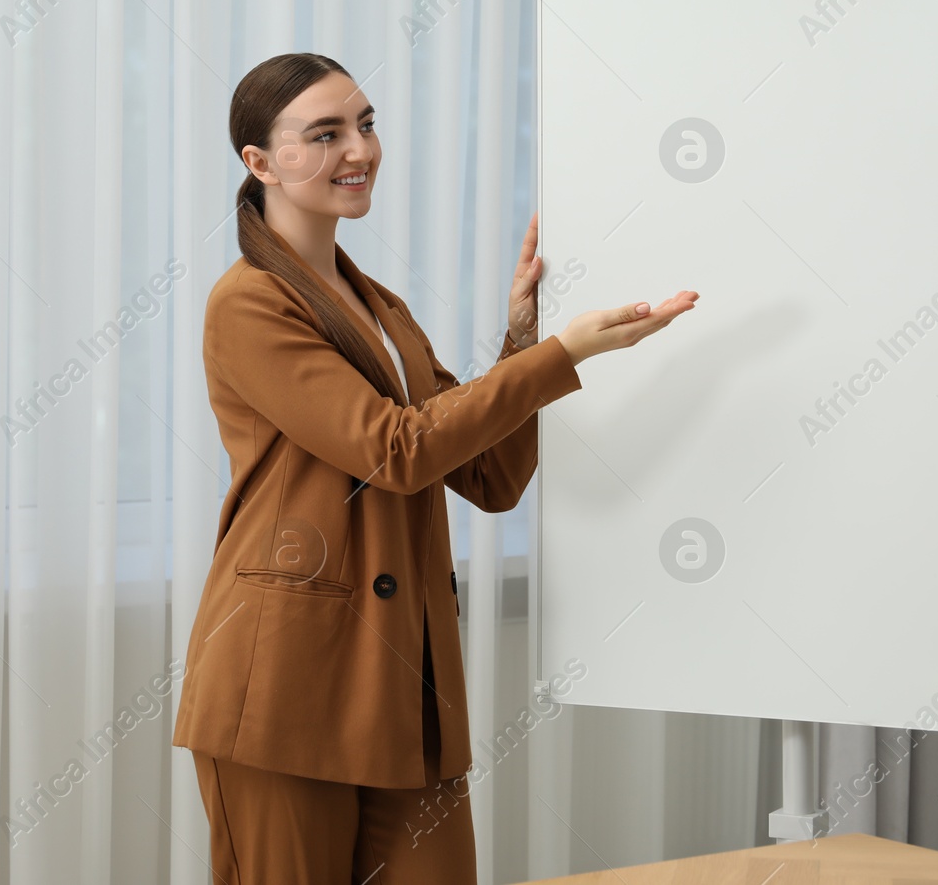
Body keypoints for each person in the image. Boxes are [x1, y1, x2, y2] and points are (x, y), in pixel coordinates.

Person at [172, 52, 698, 884]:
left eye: (366, 124)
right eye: (326, 132)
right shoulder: (248, 302)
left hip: (402, 691)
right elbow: (398, 449)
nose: (360, 149)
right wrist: (561, 355)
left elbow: (489, 476)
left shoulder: (378, 303)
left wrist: (523, 339)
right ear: (259, 163)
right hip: (283, 690)